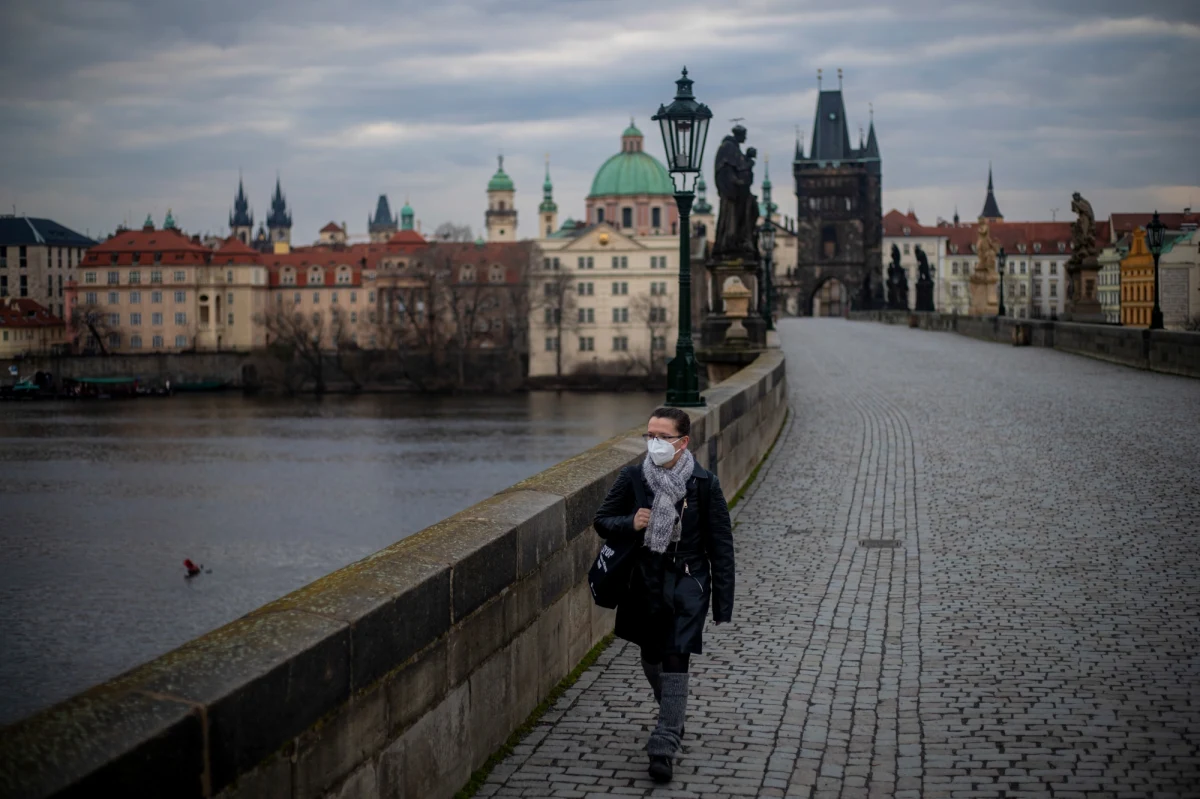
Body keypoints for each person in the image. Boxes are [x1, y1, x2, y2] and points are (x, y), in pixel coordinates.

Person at [593, 407, 734, 783]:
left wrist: (722, 603)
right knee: (652, 654)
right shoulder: (633, 477)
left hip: (688, 580)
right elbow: (601, 521)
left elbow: (721, 546)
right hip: (645, 579)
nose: (653, 443)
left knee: (676, 654)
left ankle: (664, 743)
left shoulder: (704, 483)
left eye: (662, 437)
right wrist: (631, 522)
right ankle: (673, 709)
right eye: (649, 436)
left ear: (683, 442)